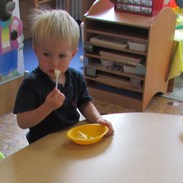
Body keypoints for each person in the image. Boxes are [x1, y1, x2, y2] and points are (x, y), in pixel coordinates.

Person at [13, 9, 114, 144]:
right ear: (36, 51)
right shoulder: (31, 84)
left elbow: (85, 104)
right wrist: (47, 107)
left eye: (61, 56)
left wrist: (97, 119)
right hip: (42, 145)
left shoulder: (76, 77)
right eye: (46, 54)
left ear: (72, 54)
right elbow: (22, 122)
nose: (54, 63)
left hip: (71, 139)